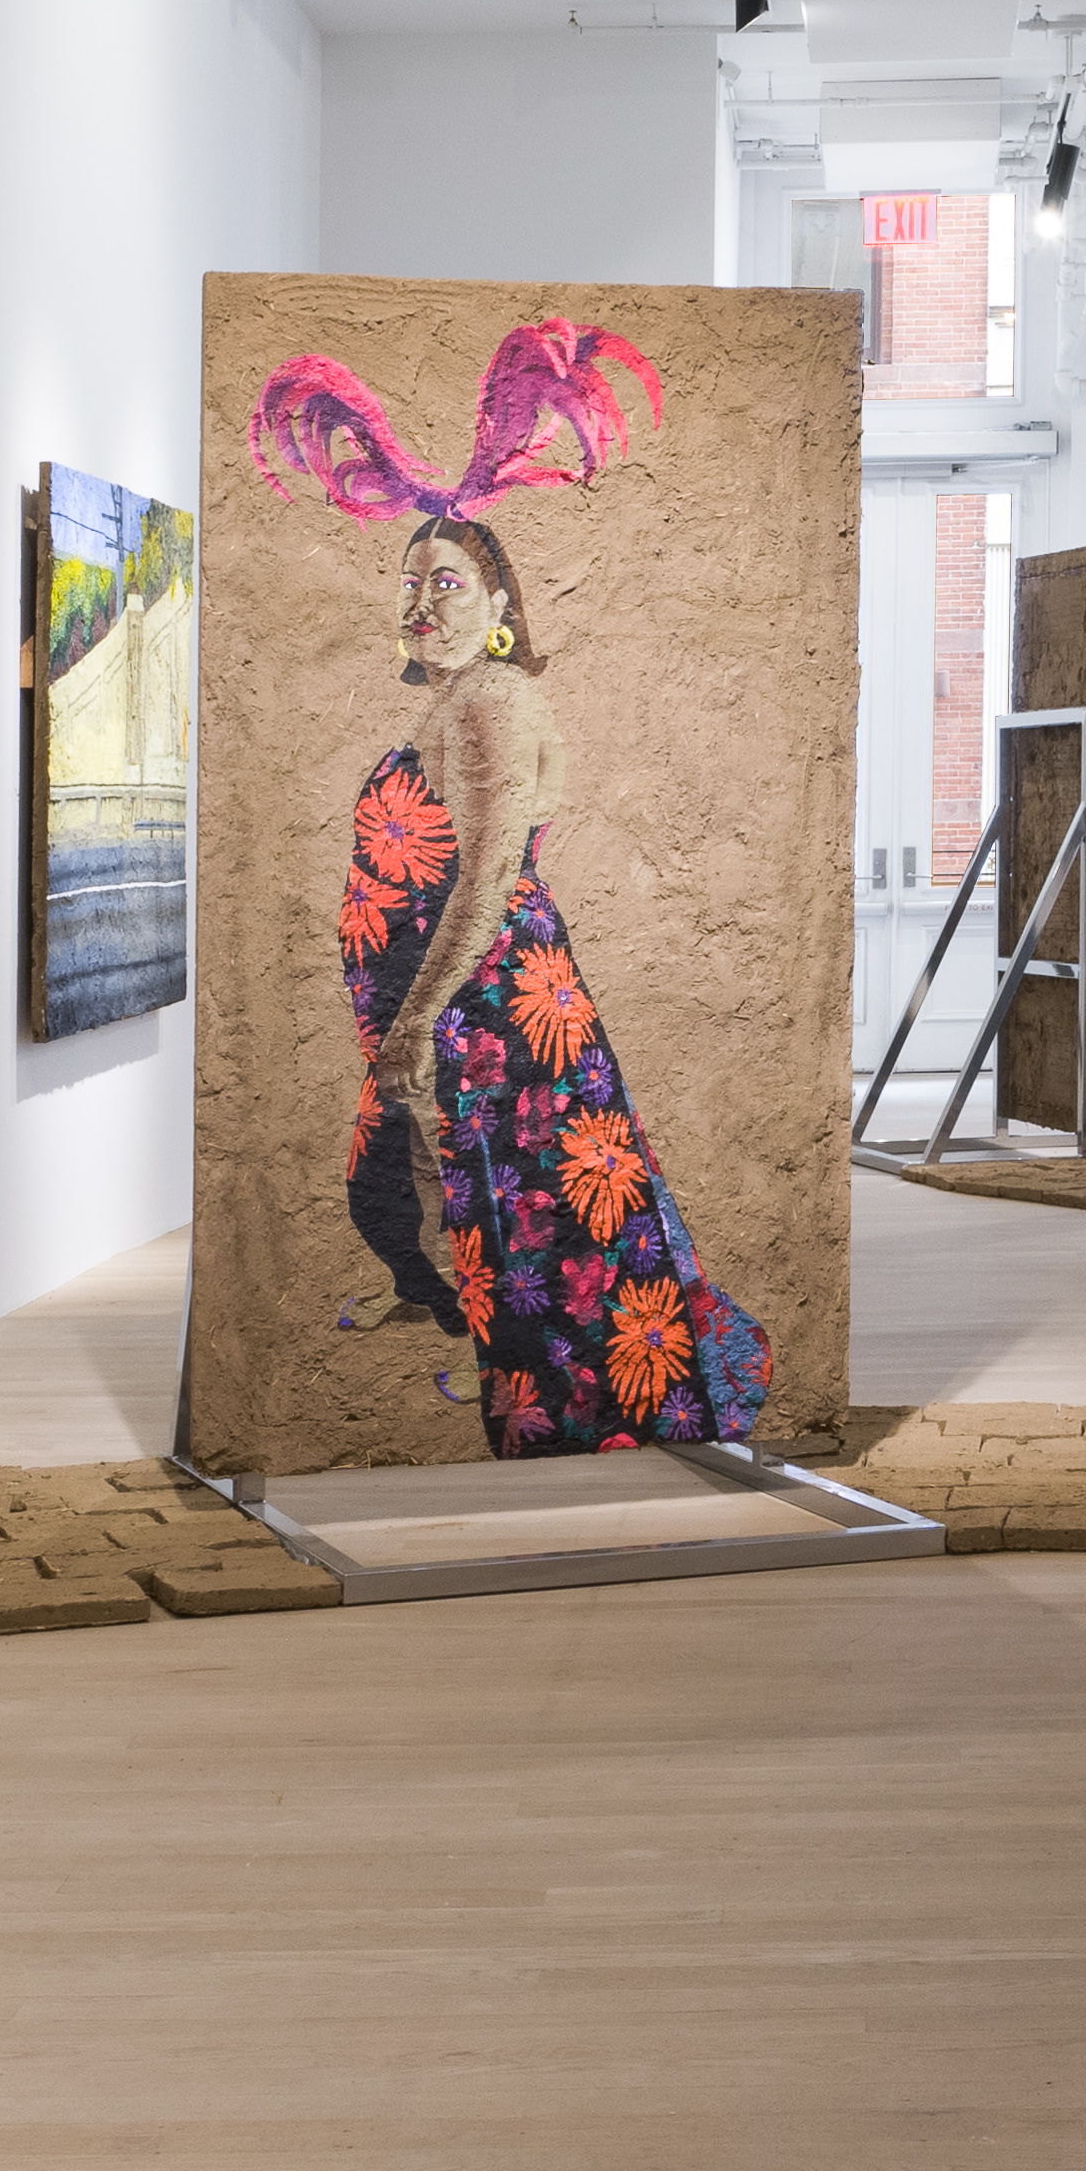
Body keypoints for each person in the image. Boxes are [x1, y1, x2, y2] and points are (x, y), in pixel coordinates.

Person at [254, 321, 778, 1454]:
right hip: (459, 1010)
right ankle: (512, 1362)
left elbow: (487, 878)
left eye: (446, 584)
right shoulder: (446, 705)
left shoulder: (490, 701)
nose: (422, 604)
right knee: (474, 1207)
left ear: (499, 609)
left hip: (491, 1014)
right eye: (410, 587)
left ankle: (591, 1399)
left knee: (539, 1219)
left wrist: (416, 1020)